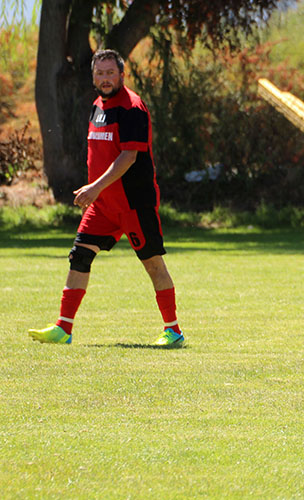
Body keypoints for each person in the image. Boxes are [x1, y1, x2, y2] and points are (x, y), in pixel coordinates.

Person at [28, 49, 183, 347]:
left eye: (111, 73)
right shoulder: (97, 106)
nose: (105, 78)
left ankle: (173, 331)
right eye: (100, 73)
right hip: (102, 206)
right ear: (93, 76)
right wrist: (96, 192)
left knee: (153, 264)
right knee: (79, 256)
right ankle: (63, 328)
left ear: (122, 75)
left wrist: (95, 187)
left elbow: (128, 157)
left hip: (133, 204)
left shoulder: (132, 107)